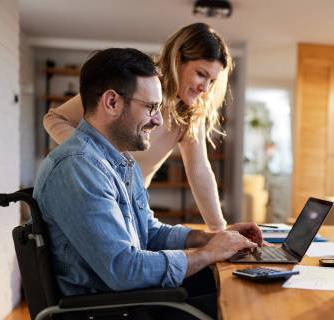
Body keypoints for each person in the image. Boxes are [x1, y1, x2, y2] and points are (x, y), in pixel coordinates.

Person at [33, 47, 262, 320]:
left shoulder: (119, 161)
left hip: (128, 305)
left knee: (237, 293)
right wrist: (207, 254)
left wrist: (212, 237)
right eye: (152, 108)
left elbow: (150, 233)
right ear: (111, 103)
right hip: (111, 319)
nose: (158, 121)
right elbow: (124, 268)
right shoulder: (80, 168)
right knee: (244, 317)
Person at [44, 22, 231, 231]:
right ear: (178, 59)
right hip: (87, 199)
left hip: (127, 208)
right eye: (201, 74)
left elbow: (199, 171)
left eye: (212, 81)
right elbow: (54, 118)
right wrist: (99, 160)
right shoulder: (133, 81)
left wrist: (219, 230)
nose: (205, 88)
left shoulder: (188, 114)